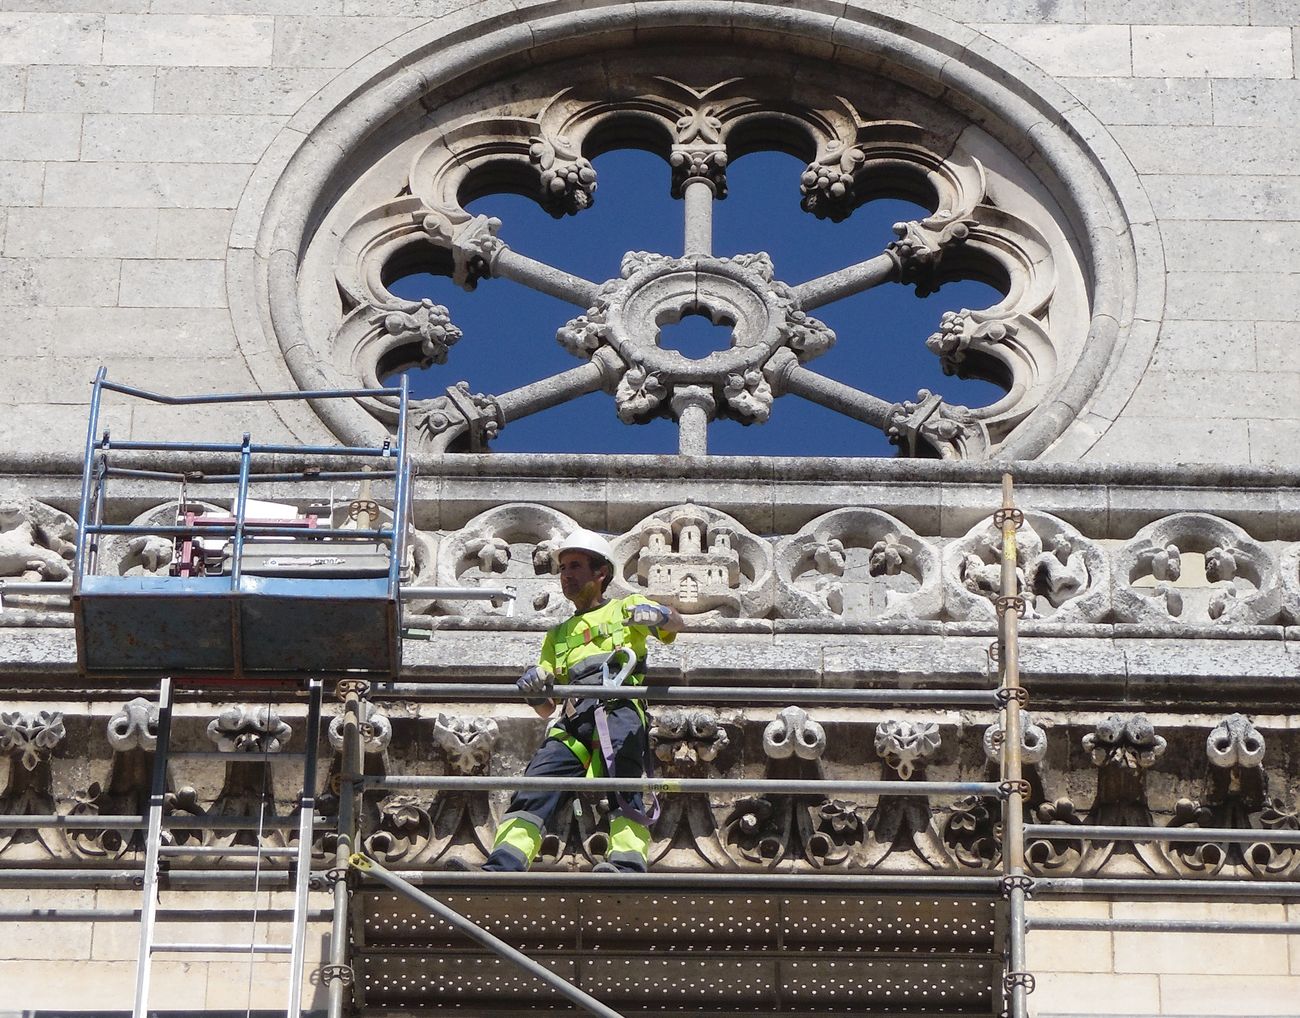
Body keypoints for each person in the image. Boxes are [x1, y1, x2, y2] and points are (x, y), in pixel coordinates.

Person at [456, 528, 683, 873]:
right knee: (535, 786)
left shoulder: (627, 608)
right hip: (573, 720)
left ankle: (627, 865)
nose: (566, 575)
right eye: (562, 568)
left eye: (575, 566)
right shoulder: (557, 635)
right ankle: (503, 865)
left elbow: (675, 625)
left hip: (617, 710)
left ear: (600, 572)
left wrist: (660, 616)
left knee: (623, 786)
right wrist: (535, 694)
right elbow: (548, 707)